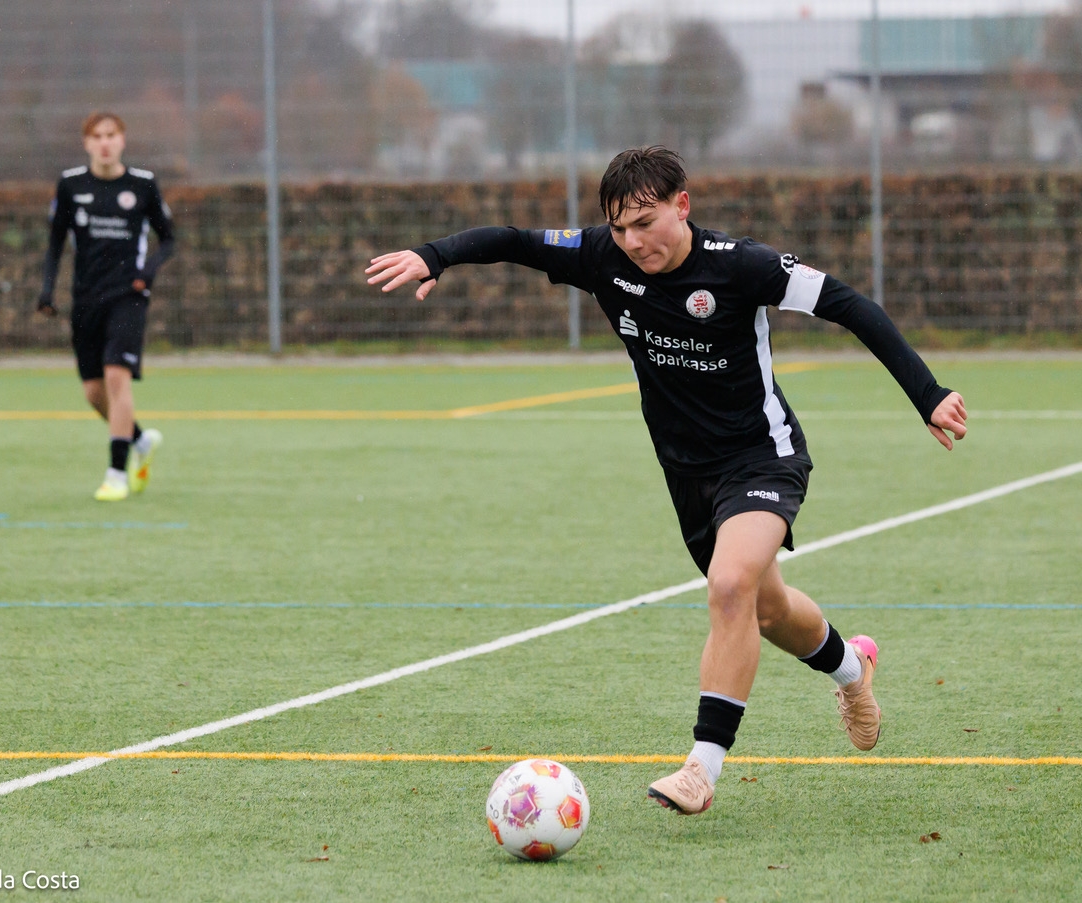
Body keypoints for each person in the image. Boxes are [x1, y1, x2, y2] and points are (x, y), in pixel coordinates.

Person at [366, 146, 967, 815]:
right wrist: (435, 255)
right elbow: (513, 240)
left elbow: (848, 305)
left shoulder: (740, 265)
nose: (632, 241)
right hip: (687, 474)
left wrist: (927, 393)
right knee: (765, 609)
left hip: (762, 457)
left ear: (683, 206)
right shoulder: (601, 257)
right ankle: (853, 668)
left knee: (730, 585)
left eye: (645, 223)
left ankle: (701, 768)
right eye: (620, 227)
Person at [38, 111, 175, 501]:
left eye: (111, 135)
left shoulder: (142, 185)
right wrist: (47, 290)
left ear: (122, 140)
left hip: (128, 296)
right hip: (86, 299)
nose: (104, 142)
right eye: (97, 136)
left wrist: (146, 273)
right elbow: (55, 242)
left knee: (117, 377)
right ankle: (139, 440)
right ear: (86, 143)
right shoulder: (70, 185)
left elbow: (168, 239)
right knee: (94, 392)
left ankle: (116, 473)